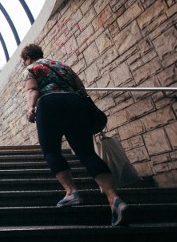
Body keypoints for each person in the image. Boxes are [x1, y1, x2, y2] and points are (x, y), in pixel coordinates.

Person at [21, 44, 128, 226]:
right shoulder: (64, 67)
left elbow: (32, 90)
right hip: (76, 104)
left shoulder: (31, 68)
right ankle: (114, 198)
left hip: (49, 104)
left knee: (52, 151)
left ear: (28, 59)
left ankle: (71, 192)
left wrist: (31, 108)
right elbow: (82, 89)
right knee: (87, 153)